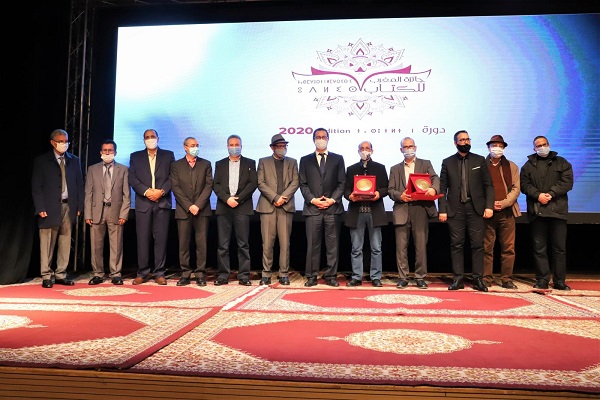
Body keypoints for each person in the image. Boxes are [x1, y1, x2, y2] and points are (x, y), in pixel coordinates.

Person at [439, 130, 494, 292]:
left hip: (475, 208)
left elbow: (488, 185)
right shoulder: (447, 162)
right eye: (462, 140)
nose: (465, 142)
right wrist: (442, 209)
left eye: (467, 139)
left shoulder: (479, 160)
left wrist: (489, 206)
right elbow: (442, 188)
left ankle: (478, 279)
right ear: (455, 143)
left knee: (477, 245)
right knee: (456, 244)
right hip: (455, 209)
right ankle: (458, 279)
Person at [31, 129, 84, 288]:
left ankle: (61, 274)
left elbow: (79, 184)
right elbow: (36, 186)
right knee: (47, 241)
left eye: (66, 141)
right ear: (53, 143)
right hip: (49, 207)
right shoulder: (42, 161)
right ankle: (46, 275)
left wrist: (79, 205)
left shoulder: (74, 160)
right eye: (61, 141)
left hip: (69, 206)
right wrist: (40, 207)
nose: (64, 144)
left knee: (65, 241)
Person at [520, 135, 573, 290]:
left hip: (558, 211)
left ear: (549, 145)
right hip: (537, 213)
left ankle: (559, 281)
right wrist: (538, 195)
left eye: (544, 144)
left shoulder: (562, 162)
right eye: (539, 146)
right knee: (539, 249)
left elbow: (567, 182)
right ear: (534, 148)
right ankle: (542, 279)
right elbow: (524, 184)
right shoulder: (528, 165)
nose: (542, 147)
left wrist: (551, 194)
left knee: (559, 249)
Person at [388, 137, 439, 289]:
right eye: (405, 147)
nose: (409, 149)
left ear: (415, 148)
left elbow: (436, 179)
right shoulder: (395, 168)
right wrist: (400, 196)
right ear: (401, 150)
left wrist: (433, 189)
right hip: (402, 209)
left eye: (411, 146)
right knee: (401, 247)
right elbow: (390, 190)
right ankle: (403, 277)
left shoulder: (425, 164)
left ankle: (420, 277)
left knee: (421, 246)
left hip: (420, 209)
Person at [299, 128, 346, 287]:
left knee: (333, 246)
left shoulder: (338, 159)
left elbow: (342, 183)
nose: (321, 139)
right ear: (313, 139)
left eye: (323, 137)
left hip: (332, 209)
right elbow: (303, 184)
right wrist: (313, 200)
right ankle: (311, 276)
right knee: (313, 245)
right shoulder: (305, 160)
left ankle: (331, 276)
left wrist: (332, 200)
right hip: (313, 209)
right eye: (318, 137)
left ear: (328, 139)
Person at [128, 129, 175, 285]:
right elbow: (132, 178)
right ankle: (142, 273)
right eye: (147, 137)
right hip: (144, 203)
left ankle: (159, 273)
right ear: (144, 140)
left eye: (152, 136)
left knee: (160, 240)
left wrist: (161, 192)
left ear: (158, 138)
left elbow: (173, 177)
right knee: (142, 240)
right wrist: (147, 191)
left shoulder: (168, 155)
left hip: (162, 203)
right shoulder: (135, 157)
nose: (150, 139)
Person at [213, 134, 258, 286]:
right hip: (224, 207)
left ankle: (244, 276)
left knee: (243, 244)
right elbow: (215, 185)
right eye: (231, 145)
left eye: (236, 144)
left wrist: (238, 199)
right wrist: (227, 199)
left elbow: (252, 183)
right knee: (223, 245)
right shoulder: (219, 164)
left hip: (242, 208)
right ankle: (223, 275)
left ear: (241, 146)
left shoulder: (250, 163)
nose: (234, 147)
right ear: (227, 147)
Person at [84, 139, 130, 285]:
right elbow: (88, 193)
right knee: (96, 245)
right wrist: (88, 214)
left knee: (116, 244)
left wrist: (124, 214)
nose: (107, 152)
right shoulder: (92, 169)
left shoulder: (123, 169)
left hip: (115, 211)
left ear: (115, 153)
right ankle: (97, 273)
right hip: (97, 211)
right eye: (105, 150)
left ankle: (115, 274)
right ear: (100, 152)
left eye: (110, 150)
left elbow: (126, 194)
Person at [256, 134, 299, 286]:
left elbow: (295, 182)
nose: (283, 149)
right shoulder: (263, 161)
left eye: (284, 146)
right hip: (268, 207)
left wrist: (283, 198)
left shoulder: (292, 162)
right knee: (267, 243)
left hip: (285, 207)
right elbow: (260, 183)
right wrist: (275, 197)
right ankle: (266, 274)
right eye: (279, 146)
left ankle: (284, 274)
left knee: (285, 243)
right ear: (272, 148)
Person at [343, 141, 388, 287]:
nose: (364, 151)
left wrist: (378, 193)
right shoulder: (351, 169)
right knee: (356, 248)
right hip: (356, 213)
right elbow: (346, 189)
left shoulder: (380, 168)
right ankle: (356, 276)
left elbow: (386, 188)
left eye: (367, 148)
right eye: (361, 149)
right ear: (358, 151)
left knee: (376, 248)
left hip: (375, 212)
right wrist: (350, 196)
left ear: (372, 151)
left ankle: (376, 277)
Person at [170, 137, 213, 287]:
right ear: (185, 147)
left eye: (197, 145)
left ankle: (200, 273)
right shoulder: (176, 165)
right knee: (183, 244)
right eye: (192, 145)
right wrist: (189, 206)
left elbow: (208, 186)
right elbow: (175, 187)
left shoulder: (206, 164)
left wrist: (198, 205)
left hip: (202, 210)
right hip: (184, 210)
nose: (195, 148)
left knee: (201, 244)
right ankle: (185, 273)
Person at [482, 135, 521, 289]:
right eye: (494, 145)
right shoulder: (481, 165)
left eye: (500, 146)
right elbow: (477, 188)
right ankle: (486, 278)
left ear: (504, 148)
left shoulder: (511, 166)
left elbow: (516, 188)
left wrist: (504, 203)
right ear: (488, 147)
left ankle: (506, 279)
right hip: (487, 212)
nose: (497, 148)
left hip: (507, 212)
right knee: (486, 248)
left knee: (508, 248)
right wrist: (489, 204)